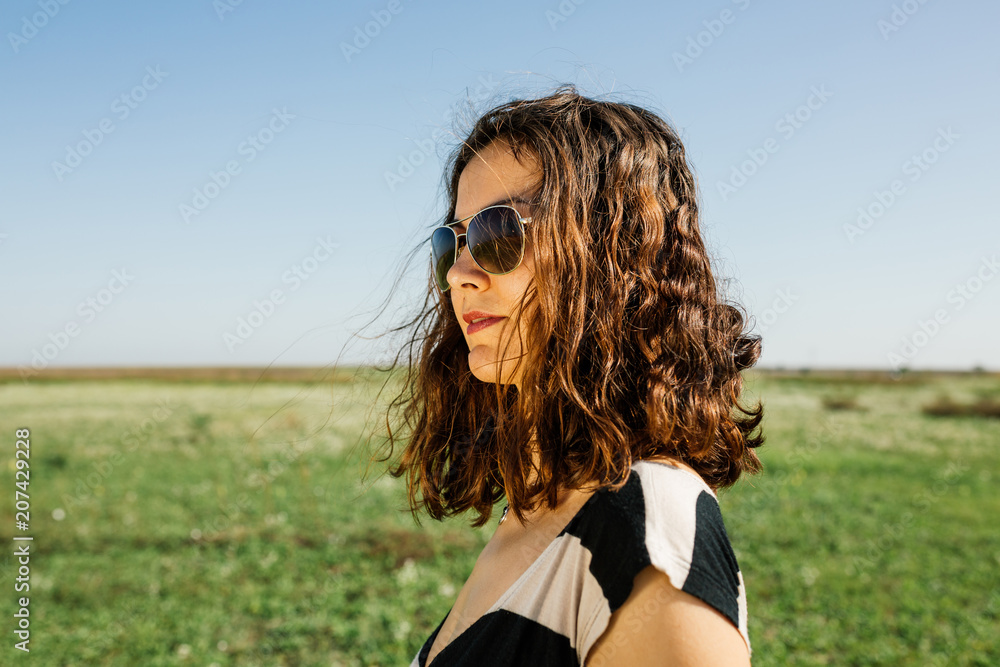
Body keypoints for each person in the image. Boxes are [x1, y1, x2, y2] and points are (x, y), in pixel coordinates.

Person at [376, 84, 765, 666]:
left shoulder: (651, 532)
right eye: (451, 240)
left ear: (617, 256)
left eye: (499, 232)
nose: (459, 272)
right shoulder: (534, 509)